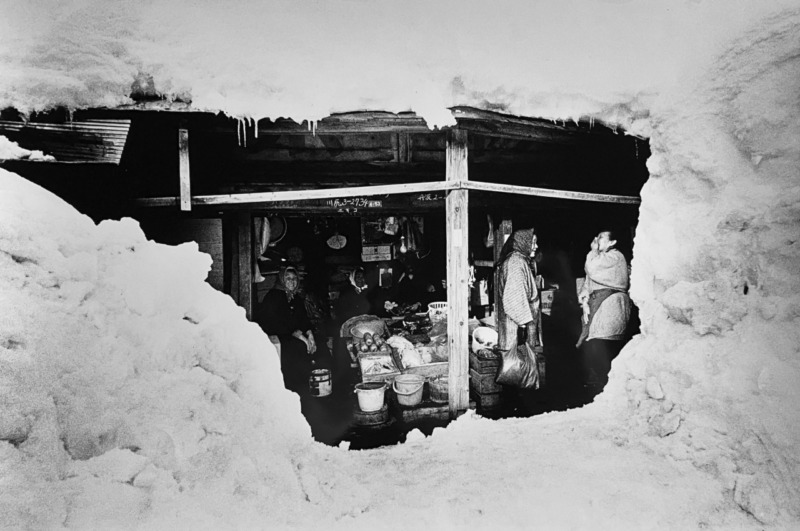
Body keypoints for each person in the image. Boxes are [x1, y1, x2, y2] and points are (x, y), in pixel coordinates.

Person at [576, 229, 631, 399]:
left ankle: (608, 388)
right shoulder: (600, 258)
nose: (596, 240)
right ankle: (598, 385)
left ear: (612, 243)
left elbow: (592, 269)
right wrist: (584, 298)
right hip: (598, 305)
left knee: (604, 344)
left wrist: (592, 250)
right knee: (595, 343)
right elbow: (588, 282)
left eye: (601, 238)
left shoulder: (615, 257)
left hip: (610, 305)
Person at [254, 266, 318, 395]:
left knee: (317, 345)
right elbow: (273, 323)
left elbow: (303, 319)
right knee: (298, 347)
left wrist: (310, 335)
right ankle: (293, 389)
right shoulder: (273, 297)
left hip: (293, 334)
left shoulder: (296, 298)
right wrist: (299, 335)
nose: (292, 281)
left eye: (294, 279)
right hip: (278, 336)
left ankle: (310, 387)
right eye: (288, 278)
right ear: (281, 280)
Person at [496, 228, 542, 388]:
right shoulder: (516, 263)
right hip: (516, 333)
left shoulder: (518, 261)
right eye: (532, 243)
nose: (535, 247)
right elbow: (513, 300)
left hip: (514, 332)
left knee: (518, 378)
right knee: (518, 378)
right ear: (522, 243)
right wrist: (522, 328)